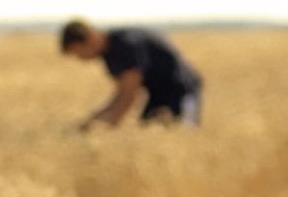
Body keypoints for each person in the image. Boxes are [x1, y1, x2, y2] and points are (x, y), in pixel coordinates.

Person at [60, 18, 204, 128]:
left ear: (90, 38)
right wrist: (94, 120)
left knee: (181, 133)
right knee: (149, 131)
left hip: (182, 90)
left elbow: (129, 95)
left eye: (78, 53)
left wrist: (104, 124)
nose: (81, 59)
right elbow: (121, 94)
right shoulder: (109, 54)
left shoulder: (126, 44)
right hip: (157, 93)